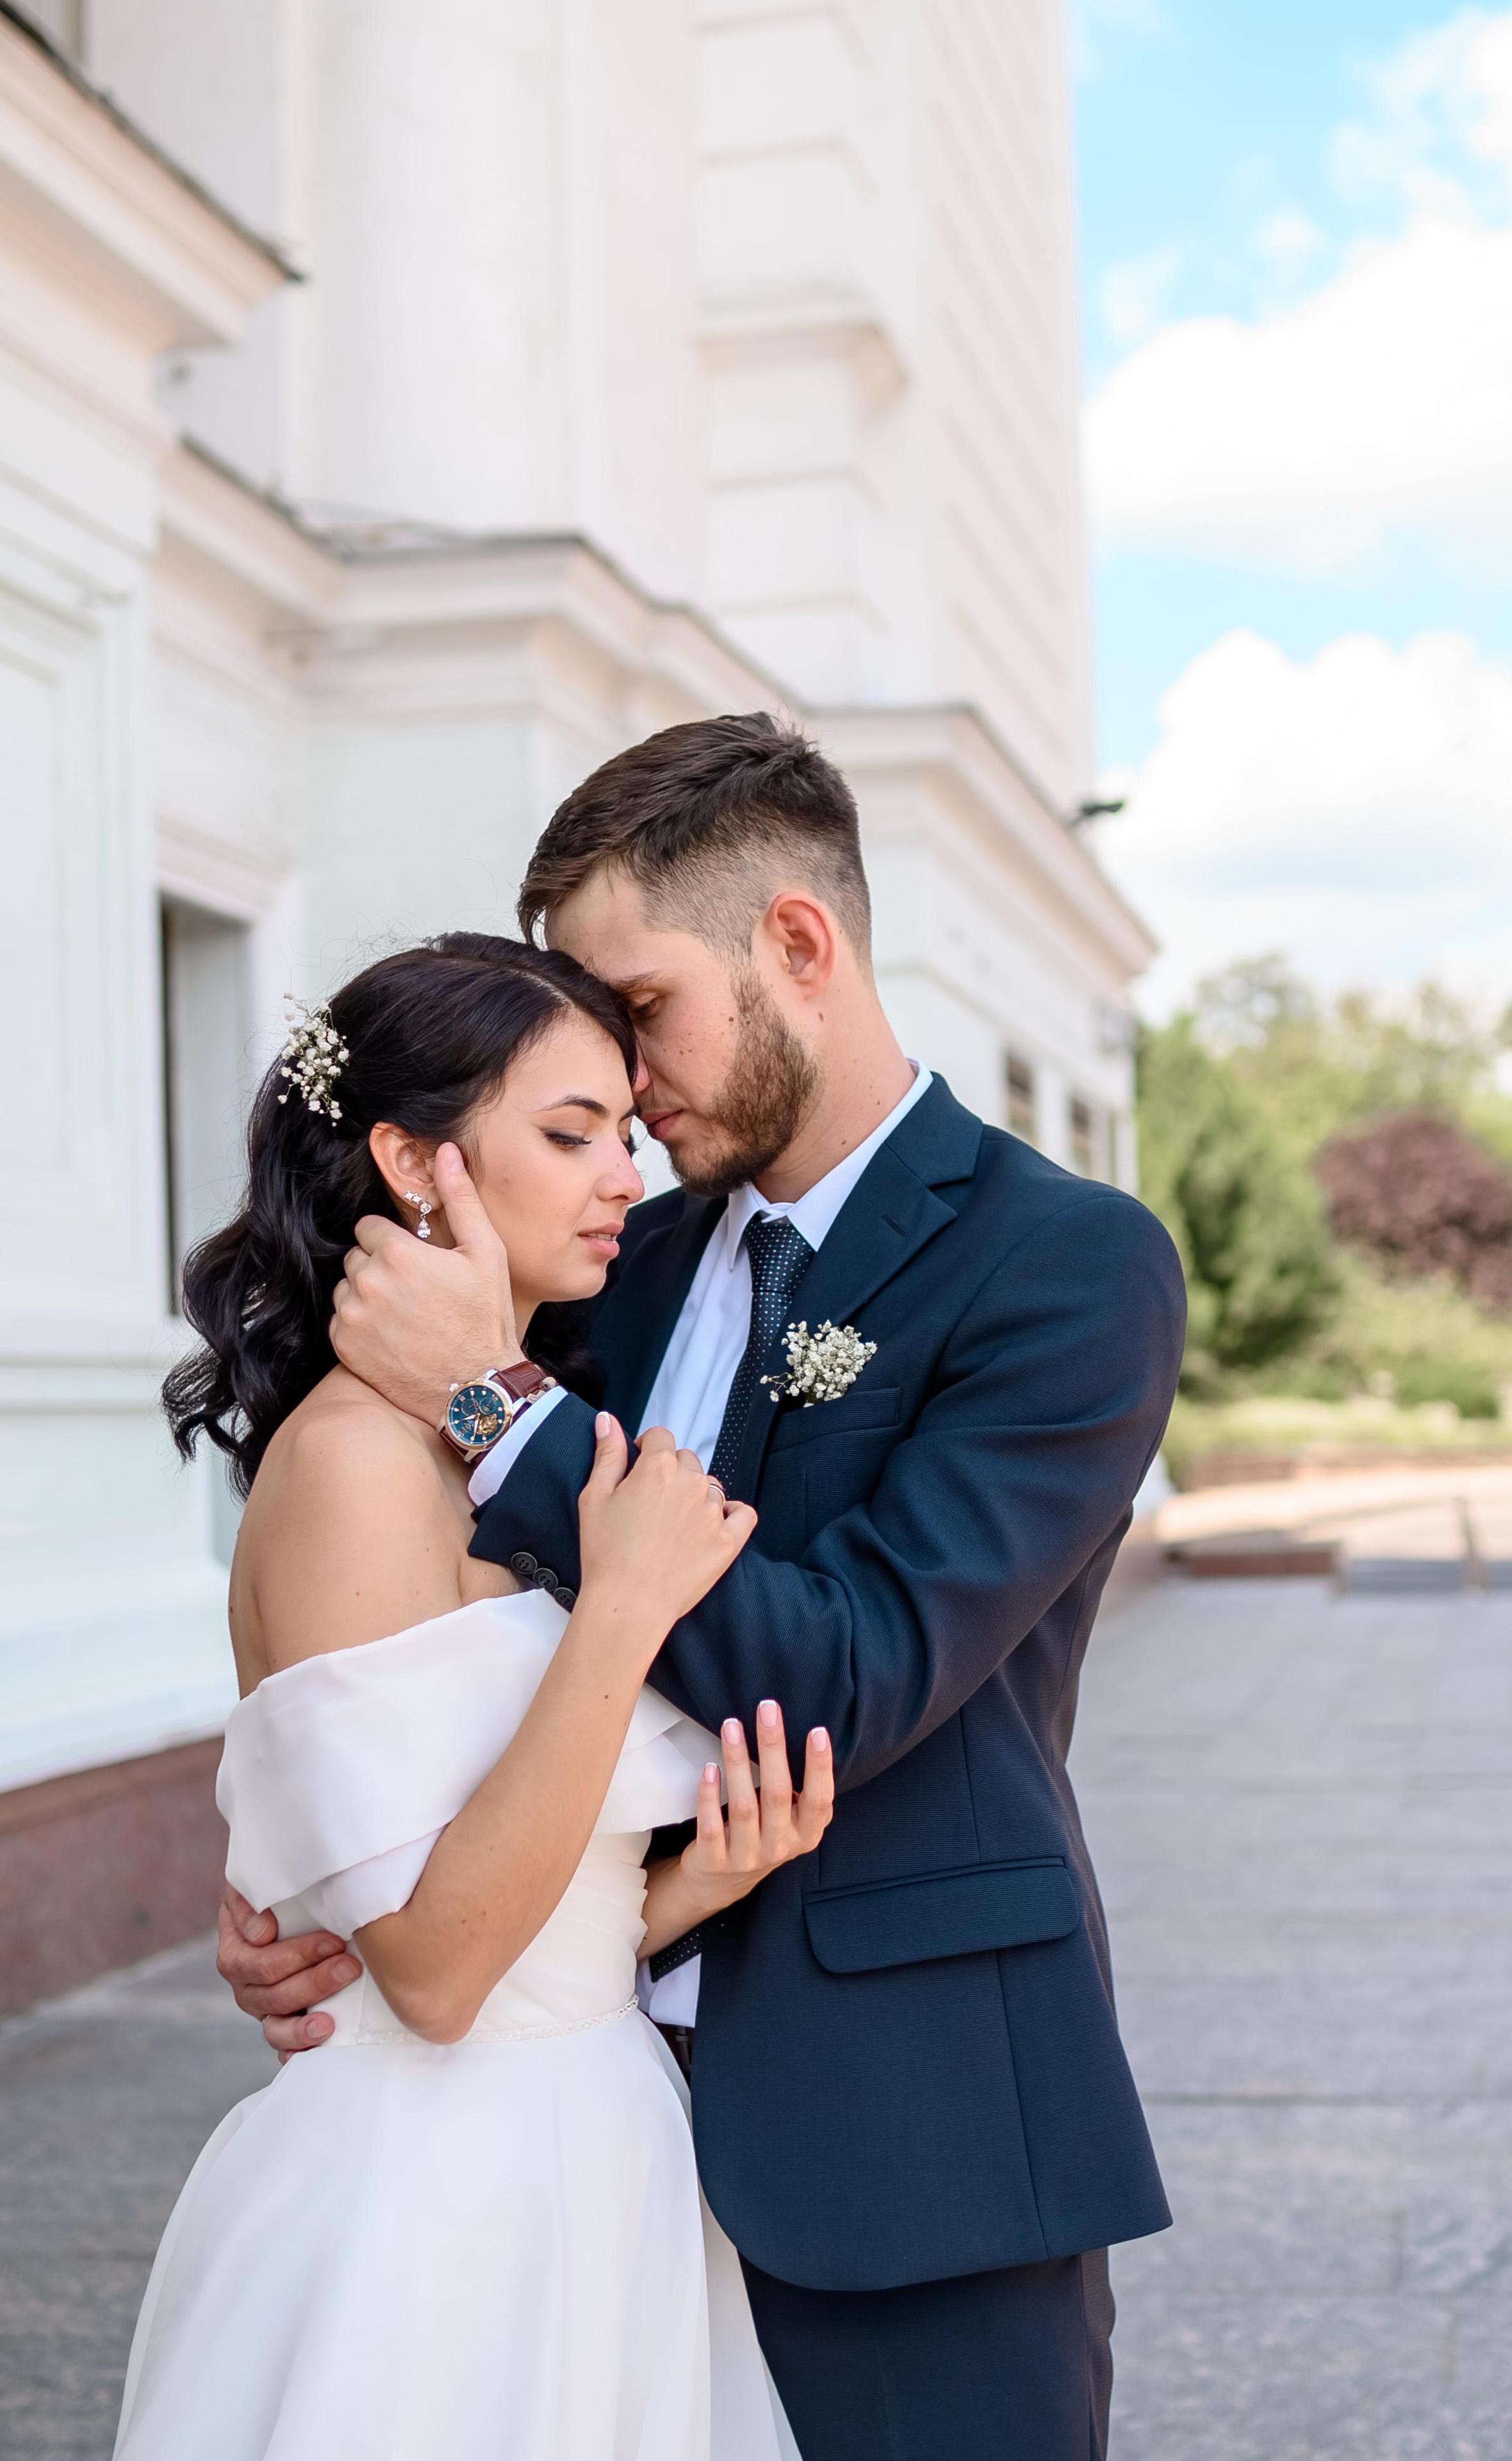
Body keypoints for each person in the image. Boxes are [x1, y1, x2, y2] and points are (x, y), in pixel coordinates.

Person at [221, 714, 1188, 2461]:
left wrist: (497, 1411)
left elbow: (853, 1673)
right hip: (563, 2139)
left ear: (797, 946)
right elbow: (436, 1638)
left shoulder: (1065, 1264)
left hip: (911, 2141)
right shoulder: (623, 1256)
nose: (626, 1086)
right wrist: (322, 1872)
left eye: (642, 1010)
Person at [120, 934, 830, 2460]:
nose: (622, 1177)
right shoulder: (358, 1468)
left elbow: (515, 1943)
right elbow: (432, 1983)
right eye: (568, 1134)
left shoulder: (487, 1445)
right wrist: (621, 1610)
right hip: (435, 2205)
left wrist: (693, 1880)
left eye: (624, 1137)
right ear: (412, 1160)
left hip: (602, 2149)